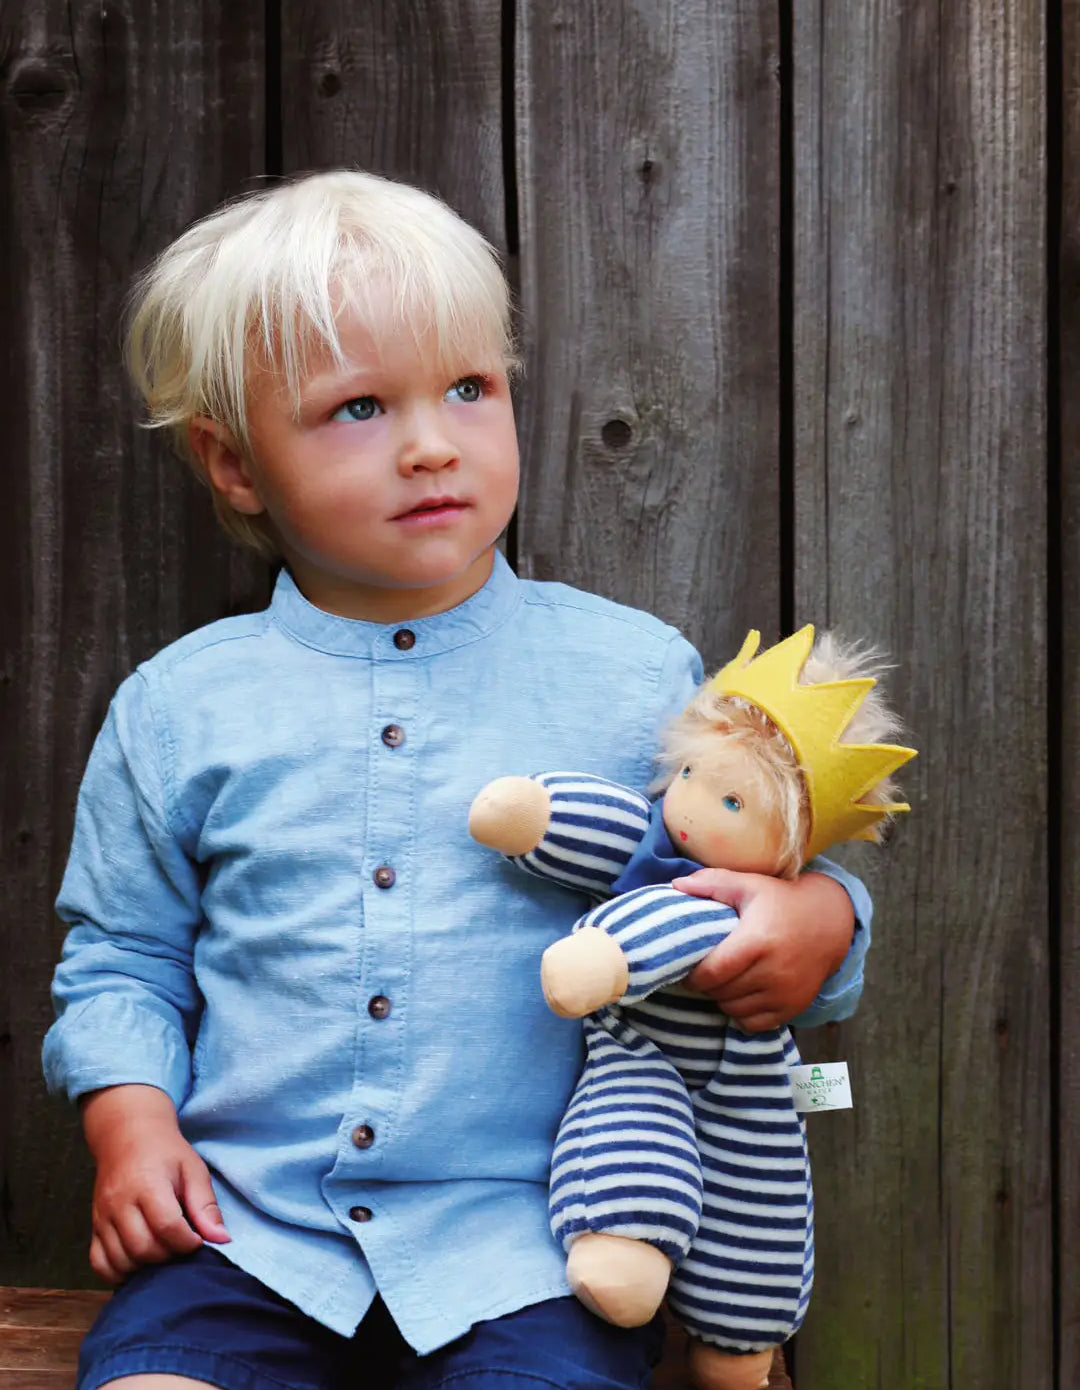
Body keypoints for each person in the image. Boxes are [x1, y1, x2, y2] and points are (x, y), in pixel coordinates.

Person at [42, 169, 873, 1390]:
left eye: (470, 389)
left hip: (533, 1251)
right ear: (231, 464)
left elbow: (755, 850)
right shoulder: (180, 707)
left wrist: (824, 919)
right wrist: (132, 1123)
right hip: (244, 1243)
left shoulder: (631, 672)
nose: (433, 443)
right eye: (360, 406)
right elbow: (121, 957)